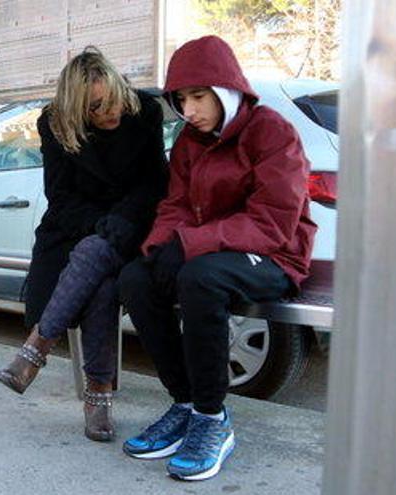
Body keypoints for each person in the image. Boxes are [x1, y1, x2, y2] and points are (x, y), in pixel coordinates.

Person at [116, 35, 317, 481]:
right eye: (181, 99)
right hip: (212, 251)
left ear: (226, 89)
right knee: (135, 278)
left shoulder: (271, 131)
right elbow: (176, 205)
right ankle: (184, 402)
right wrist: (160, 247)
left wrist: (189, 245)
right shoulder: (190, 141)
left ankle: (211, 418)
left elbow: (272, 223)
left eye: (198, 96)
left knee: (200, 279)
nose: (188, 110)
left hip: (275, 256)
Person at [0, 47, 168, 441]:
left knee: (97, 255)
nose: (111, 112)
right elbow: (60, 195)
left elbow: (156, 182)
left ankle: (36, 349)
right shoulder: (54, 123)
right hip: (75, 225)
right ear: (75, 110)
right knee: (100, 279)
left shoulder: (144, 111)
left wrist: (122, 221)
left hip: (135, 221)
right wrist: (98, 224)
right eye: (96, 107)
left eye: (114, 100)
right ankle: (98, 395)